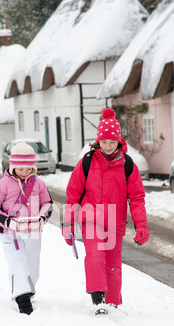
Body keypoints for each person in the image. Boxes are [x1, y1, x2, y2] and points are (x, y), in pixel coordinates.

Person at [62, 108, 149, 315]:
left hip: (114, 221)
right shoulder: (87, 162)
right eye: (104, 142)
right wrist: (67, 225)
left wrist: (142, 225)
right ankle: (98, 299)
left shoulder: (128, 165)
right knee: (94, 255)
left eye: (112, 142)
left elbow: (136, 198)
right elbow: (72, 195)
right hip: (90, 218)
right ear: (97, 142)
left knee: (112, 263)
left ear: (119, 142)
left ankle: (112, 304)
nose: (108, 146)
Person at [0, 142, 53, 315]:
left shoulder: (39, 184)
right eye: (20, 169)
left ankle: (27, 290)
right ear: (13, 166)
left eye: (28, 168)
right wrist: (9, 222)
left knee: (32, 265)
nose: (24, 172)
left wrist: (42, 217)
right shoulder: (1, 185)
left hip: (33, 231)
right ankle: (23, 301)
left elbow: (48, 203)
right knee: (18, 263)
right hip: (10, 232)